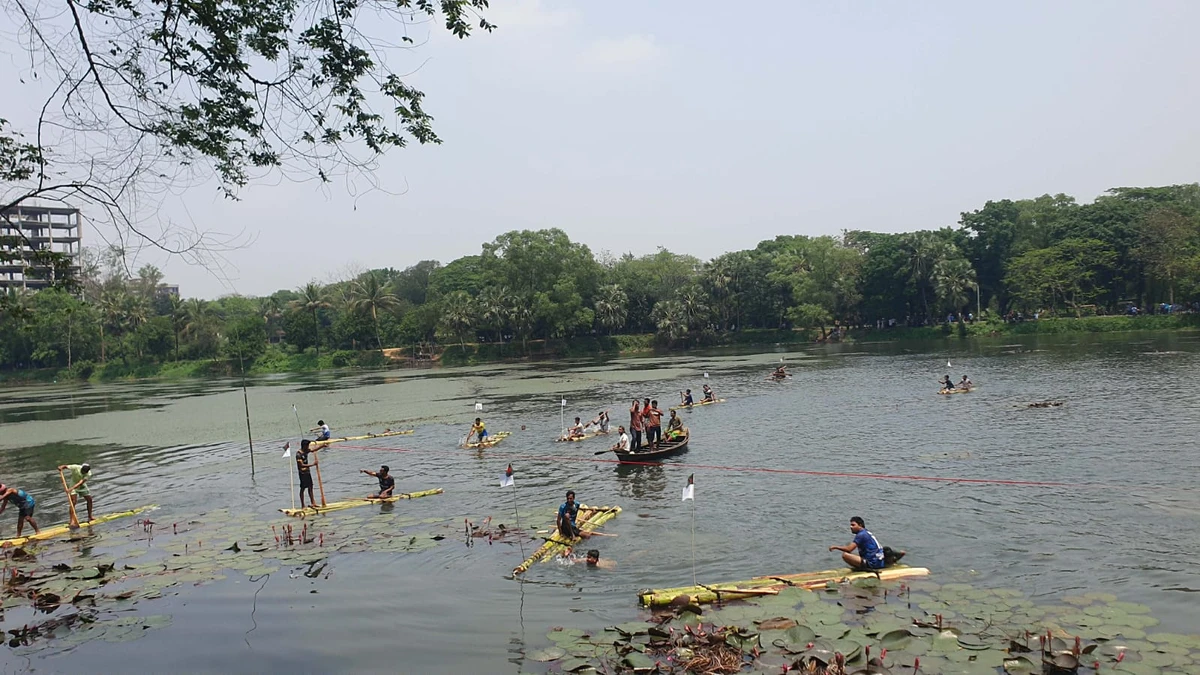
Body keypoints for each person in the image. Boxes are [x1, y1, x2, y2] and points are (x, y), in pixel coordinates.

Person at [296, 440, 317, 508]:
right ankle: (302, 505)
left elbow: (313, 450)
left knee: (310, 487)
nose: (308, 447)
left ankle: (313, 503)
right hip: (302, 473)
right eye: (307, 445)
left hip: (308, 472)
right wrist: (312, 464)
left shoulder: (306, 451)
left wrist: (323, 446)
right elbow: (301, 465)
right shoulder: (298, 454)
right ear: (304, 446)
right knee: (303, 488)